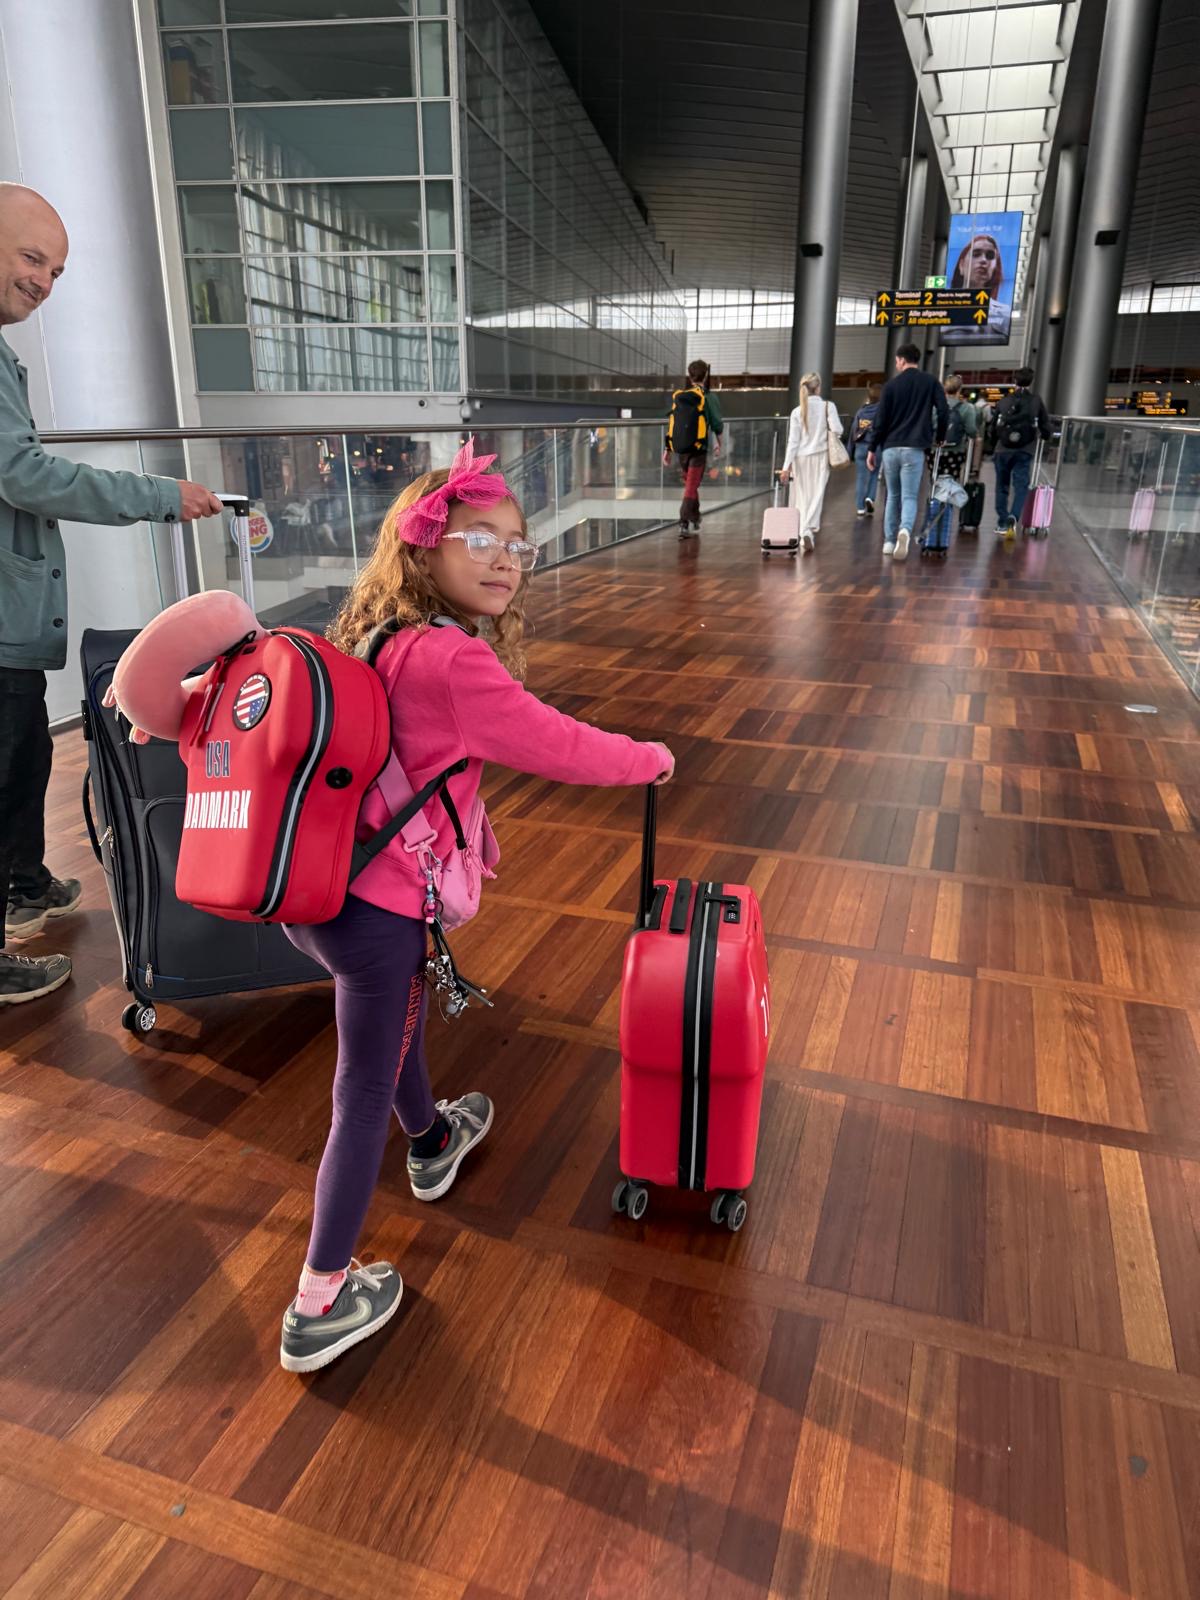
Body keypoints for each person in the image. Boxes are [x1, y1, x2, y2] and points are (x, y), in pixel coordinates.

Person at [275, 444, 673, 1370]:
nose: (504, 560)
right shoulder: (452, 661)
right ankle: (319, 1301)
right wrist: (648, 757)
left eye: (517, 547)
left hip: (320, 896)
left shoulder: (371, 636)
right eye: (479, 539)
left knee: (398, 1028)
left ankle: (435, 1138)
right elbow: (560, 745)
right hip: (377, 913)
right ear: (426, 549)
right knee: (360, 1088)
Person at [0, 182, 223, 1008]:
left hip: (10, 623)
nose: (43, 283)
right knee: (5, 765)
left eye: (54, 270)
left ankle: (22, 881)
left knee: (24, 755)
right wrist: (157, 495)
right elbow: (19, 473)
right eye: (31, 258)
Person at [866, 344, 948, 562]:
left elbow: (880, 420)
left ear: (901, 360)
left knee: (892, 495)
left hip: (891, 448)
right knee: (910, 495)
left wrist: (872, 448)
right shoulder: (930, 382)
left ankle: (889, 541)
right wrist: (939, 437)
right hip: (915, 448)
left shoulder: (891, 386)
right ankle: (905, 530)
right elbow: (943, 410)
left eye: (896, 360)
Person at [778, 372, 843, 554]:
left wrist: (785, 467)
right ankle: (807, 529)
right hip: (820, 456)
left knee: (802, 496)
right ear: (818, 387)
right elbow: (838, 429)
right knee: (817, 495)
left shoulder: (797, 412)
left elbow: (793, 442)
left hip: (800, 459)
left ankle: (803, 531)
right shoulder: (828, 407)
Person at [990, 366, 1052, 538]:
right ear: (1031, 381)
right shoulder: (1036, 401)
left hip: (1002, 450)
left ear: (1014, 381)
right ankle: (1013, 517)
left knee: (1002, 486)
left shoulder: (1004, 401)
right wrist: (1046, 436)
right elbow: (1045, 426)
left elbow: (993, 428)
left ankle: (1002, 522)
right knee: (1021, 486)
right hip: (1025, 449)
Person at [664, 358, 723, 538]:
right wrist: (719, 443)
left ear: (689, 377)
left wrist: (667, 449)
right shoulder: (709, 397)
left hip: (681, 449)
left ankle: (695, 517)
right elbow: (716, 423)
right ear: (705, 376)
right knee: (691, 486)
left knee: (691, 484)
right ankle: (683, 522)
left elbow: (672, 424)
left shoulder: (681, 396)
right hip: (699, 449)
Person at [922, 373, 977, 549]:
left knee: (936, 481)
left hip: (934, 451)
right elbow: (971, 431)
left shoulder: (933, 407)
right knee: (950, 483)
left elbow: (927, 427)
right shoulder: (967, 408)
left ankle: (932, 513)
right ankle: (944, 517)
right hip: (955, 451)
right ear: (960, 390)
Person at [947, 233, 1013, 345]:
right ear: (961, 265)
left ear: (994, 268)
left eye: (990, 256)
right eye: (976, 254)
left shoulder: (1005, 314)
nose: (983, 260)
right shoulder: (941, 308)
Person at [846, 381, 882, 517]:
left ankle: (860, 508)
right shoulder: (882, 412)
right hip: (876, 448)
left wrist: (849, 451)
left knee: (861, 478)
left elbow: (853, 432)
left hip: (860, 448)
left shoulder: (861, 411)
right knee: (874, 474)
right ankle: (870, 498)